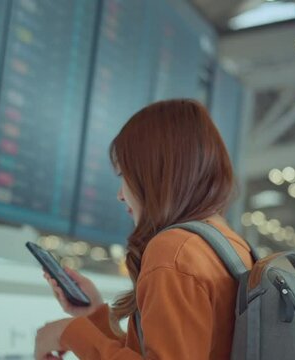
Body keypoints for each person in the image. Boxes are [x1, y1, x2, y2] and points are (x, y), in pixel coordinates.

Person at [34, 99, 255, 359]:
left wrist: (69, 332)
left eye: (124, 176)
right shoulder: (229, 245)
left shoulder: (174, 251)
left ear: (152, 174)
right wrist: (94, 316)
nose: (120, 194)